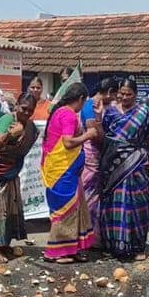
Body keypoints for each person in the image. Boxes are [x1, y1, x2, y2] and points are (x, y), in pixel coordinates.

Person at [0, 93, 39, 263]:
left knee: (9, 208)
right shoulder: (6, 120)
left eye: (30, 111)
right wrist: (11, 135)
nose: (26, 113)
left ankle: (5, 244)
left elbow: (27, 143)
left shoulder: (31, 127)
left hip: (10, 171)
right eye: (24, 109)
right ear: (16, 105)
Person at [41, 82, 99, 263]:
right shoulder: (68, 115)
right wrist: (88, 135)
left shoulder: (60, 111)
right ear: (81, 99)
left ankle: (71, 248)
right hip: (62, 170)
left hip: (65, 170)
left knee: (73, 207)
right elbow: (67, 142)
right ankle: (60, 251)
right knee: (66, 210)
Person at [99, 79, 149, 261]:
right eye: (121, 94)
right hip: (113, 163)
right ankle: (112, 245)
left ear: (136, 94)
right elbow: (104, 137)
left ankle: (137, 246)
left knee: (137, 202)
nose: (124, 97)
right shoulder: (109, 113)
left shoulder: (143, 112)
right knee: (112, 203)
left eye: (128, 94)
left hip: (136, 161)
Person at [80, 78, 118, 246]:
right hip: (91, 155)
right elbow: (94, 134)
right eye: (115, 94)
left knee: (96, 196)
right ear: (109, 92)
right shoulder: (91, 106)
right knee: (90, 197)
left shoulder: (103, 107)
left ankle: (94, 236)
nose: (116, 98)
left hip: (100, 155)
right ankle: (87, 238)